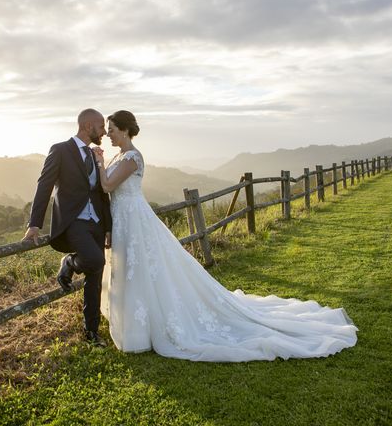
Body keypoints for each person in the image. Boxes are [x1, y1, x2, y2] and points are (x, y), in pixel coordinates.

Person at [92, 110, 358, 361]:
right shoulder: (119, 156)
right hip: (124, 219)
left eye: (112, 130)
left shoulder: (131, 158)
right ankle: (135, 326)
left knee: (142, 268)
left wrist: (99, 161)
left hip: (134, 219)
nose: (109, 134)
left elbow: (106, 185)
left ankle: (144, 330)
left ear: (126, 131)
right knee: (134, 268)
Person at [23, 109, 112, 347]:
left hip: (96, 223)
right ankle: (70, 262)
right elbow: (44, 185)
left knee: (95, 275)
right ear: (87, 125)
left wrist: (108, 227)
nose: (104, 131)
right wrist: (34, 223)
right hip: (73, 222)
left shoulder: (95, 155)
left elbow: (102, 193)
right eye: (101, 126)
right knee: (96, 261)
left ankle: (91, 331)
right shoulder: (60, 150)